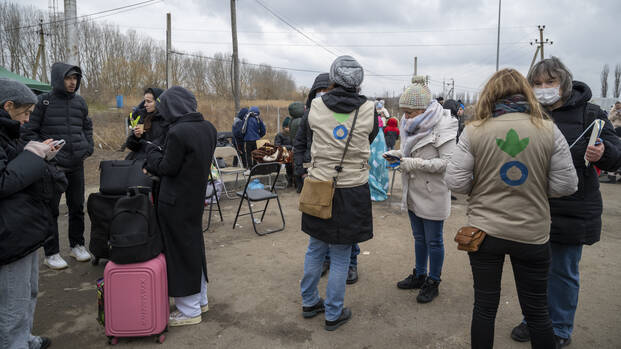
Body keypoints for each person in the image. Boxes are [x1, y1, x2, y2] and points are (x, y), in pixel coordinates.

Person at [445, 68, 579, 349]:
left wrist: (481, 189)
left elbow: (455, 182)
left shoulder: (474, 130)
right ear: (527, 92)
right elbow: (567, 185)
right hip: (532, 234)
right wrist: (533, 190)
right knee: (538, 311)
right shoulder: (548, 129)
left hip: (484, 233)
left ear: (490, 95)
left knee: (484, 307)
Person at [510, 57, 621, 347]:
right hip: (532, 206)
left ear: (564, 83)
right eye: (537, 83)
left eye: (550, 82)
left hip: (573, 207)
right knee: (530, 269)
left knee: (562, 271)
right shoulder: (527, 113)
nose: (544, 88)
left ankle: (559, 327)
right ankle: (531, 318)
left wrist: (604, 152)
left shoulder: (591, 113)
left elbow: (617, 152)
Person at [299, 56, 378, 331]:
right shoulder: (370, 110)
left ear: (333, 78)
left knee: (315, 247)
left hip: (320, 184)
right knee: (342, 253)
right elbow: (369, 137)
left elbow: (307, 136)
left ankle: (309, 301)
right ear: (359, 82)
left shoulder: (316, 106)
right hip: (352, 189)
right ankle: (333, 313)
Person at [0, 78, 66, 349]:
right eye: (25, 113)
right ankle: (13, 343)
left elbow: (15, 168)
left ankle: (24, 338)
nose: (27, 120)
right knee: (12, 300)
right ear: (8, 105)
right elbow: (3, 182)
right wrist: (33, 157)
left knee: (28, 291)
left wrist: (39, 154)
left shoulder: (7, 132)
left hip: (21, 228)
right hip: (8, 232)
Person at [144, 86, 217, 327]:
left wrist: (152, 152)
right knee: (193, 249)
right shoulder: (208, 128)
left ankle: (189, 310)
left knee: (179, 253)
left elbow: (166, 167)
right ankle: (200, 300)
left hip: (174, 203)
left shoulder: (178, 132)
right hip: (194, 200)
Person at [384, 76, 457, 304]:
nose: (406, 117)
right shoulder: (409, 125)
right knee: (418, 237)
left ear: (424, 109)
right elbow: (410, 152)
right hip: (413, 189)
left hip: (433, 192)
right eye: (404, 112)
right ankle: (419, 273)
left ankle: (433, 280)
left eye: (410, 112)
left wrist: (414, 164)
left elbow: (448, 163)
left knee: (434, 240)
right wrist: (399, 155)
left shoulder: (445, 125)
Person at [22, 62, 94, 270]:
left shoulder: (80, 102)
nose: (72, 82)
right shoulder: (42, 102)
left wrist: (87, 147)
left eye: (75, 78)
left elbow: (87, 127)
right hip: (52, 166)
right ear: (58, 79)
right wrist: (44, 153)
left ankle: (77, 245)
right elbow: (29, 132)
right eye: (68, 78)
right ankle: (51, 252)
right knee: (50, 209)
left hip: (76, 164)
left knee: (77, 207)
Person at [293, 74, 330, 193]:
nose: (322, 93)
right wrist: (301, 172)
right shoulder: (308, 114)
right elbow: (299, 144)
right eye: (319, 90)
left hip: (331, 172)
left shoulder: (339, 115)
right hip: (310, 170)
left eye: (326, 90)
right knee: (312, 209)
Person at [125, 87, 166, 160]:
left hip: (155, 162)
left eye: (149, 101)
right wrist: (136, 136)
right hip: (138, 160)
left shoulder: (167, 121)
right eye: (145, 101)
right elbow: (132, 147)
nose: (145, 105)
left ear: (159, 102)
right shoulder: (142, 117)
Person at [369, 111, 389, 202]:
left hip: (375, 142)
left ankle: (376, 188)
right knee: (379, 165)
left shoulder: (371, 119)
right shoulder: (378, 120)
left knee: (374, 165)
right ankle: (381, 187)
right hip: (378, 144)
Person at [274, 116, 294, 187]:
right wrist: (290, 147)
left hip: (291, 153)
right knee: (288, 160)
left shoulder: (292, 134)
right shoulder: (279, 135)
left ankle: (293, 178)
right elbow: (277, 146)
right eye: (287, 127)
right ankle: (290, 179)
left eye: (290, 127)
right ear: (284, 127)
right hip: (283, 153)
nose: (289, 129)